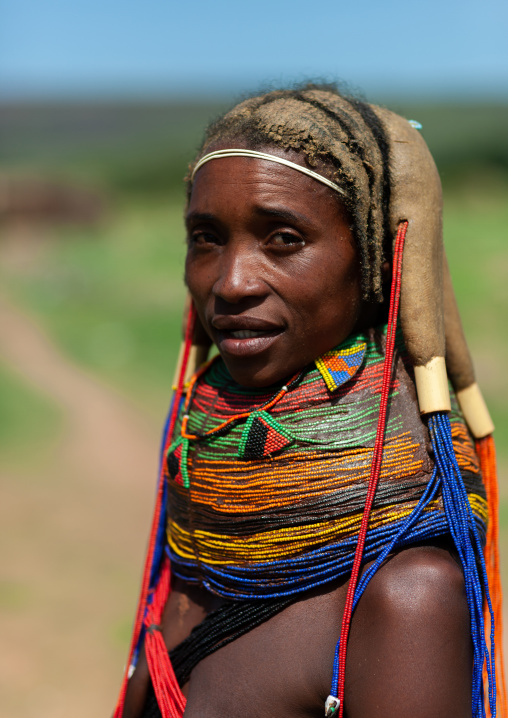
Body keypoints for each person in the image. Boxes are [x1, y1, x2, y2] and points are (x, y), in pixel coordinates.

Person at [113, 84, 504, 718]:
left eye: (284, 238)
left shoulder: (406, 591)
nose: (231, 281)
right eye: (206, 238)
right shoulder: (199, 517)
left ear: (372, 262)